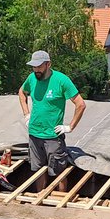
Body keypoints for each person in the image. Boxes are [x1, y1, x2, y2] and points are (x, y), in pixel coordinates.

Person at [18, 50, 85, 178]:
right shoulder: (31, 78)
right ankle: (40, 194)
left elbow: (80, 104)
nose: (36, 69)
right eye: (34, 66)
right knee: (37, 172)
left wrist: (70, 127)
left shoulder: (61, 80)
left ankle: (60, 197)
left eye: (39, 66)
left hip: (53, 136)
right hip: (34, 134)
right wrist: (26, 114)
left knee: (58, 173)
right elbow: (22, 92)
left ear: (48, 64)